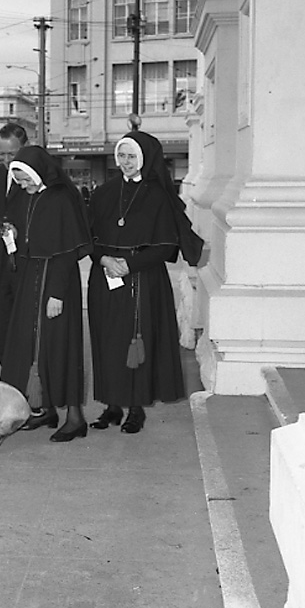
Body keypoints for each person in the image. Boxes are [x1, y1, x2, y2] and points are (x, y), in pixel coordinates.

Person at [86, 129, 203, 434]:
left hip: (143, 279)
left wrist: (131, 263)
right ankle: (111, 405)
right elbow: (89, 239)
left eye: (132, 156)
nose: (125, 162)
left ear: (144, 159)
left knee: (135, 342)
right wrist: (104, 259)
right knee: (107, 342)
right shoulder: (103, 193)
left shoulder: (158, 196)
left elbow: (166, 247)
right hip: (106, 277)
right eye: (122, 155)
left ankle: (135, 409)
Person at [0, 146, 92, 442]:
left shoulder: (61, 198)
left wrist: (57, 294)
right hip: (29, 279)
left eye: (25, 180)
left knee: (60, 346)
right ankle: (46, 409)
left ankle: (75, 417)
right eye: (19, 182)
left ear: (37, 172)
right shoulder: (26, 195)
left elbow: (65, 252)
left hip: (56, 283)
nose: (23, 186)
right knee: (32, 346)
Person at [0, 123, 28, 365]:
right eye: (0, 154)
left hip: (26, 261)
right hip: (1, 263)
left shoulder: (37, 178)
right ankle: (8, 379)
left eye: (11, 154)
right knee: (3, 327)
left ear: (25, 148)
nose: (5, 160)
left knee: (25, 327)